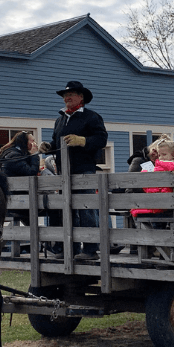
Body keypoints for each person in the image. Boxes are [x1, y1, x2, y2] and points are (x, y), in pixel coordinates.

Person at [39, 80, 108, 260]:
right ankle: (71, 248)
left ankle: (91, 250)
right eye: (64, 95)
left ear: (81, 97)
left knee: (86, 209)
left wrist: (83, 141)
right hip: (63, 172)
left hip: (84, 170)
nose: (66, 97)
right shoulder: (60, 120)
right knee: (66, 210)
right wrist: (49, 146)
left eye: (70, 94)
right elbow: (57, 143)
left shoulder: (92, 117)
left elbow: (101, 140)